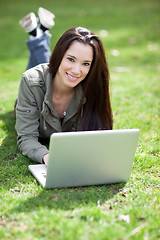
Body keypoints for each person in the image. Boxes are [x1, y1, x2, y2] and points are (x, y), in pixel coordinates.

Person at [15, 8, 113, 166]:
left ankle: (36, 33)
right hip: (30, 95)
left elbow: (100, 133)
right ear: (60, 54)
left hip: (54, 73)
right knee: (40, 71)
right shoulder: (31, 83)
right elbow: (26, 138)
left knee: (59, 70)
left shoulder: (92, 85)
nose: (77, 70)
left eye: (86, 63)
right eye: (71, 59)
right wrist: (47, 157)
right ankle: (38, 34)